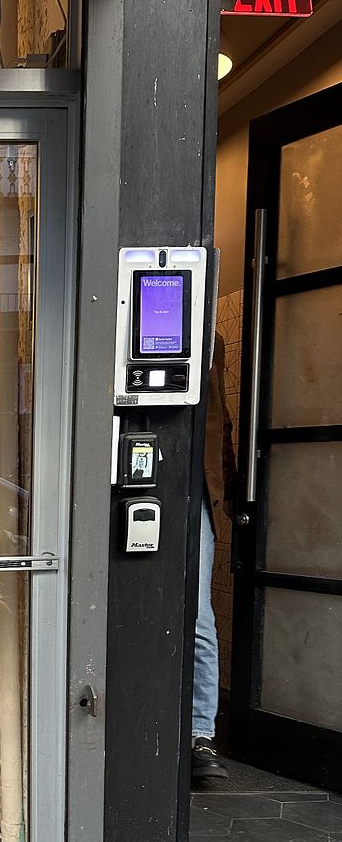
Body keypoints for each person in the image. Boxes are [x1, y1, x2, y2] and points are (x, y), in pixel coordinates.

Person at [192, 331, 238, 782]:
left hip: (198, 495)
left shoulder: (212, 340)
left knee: (198, 617)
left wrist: (231, 491)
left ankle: (200, 733)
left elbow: (219, 417)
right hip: (137, 484)